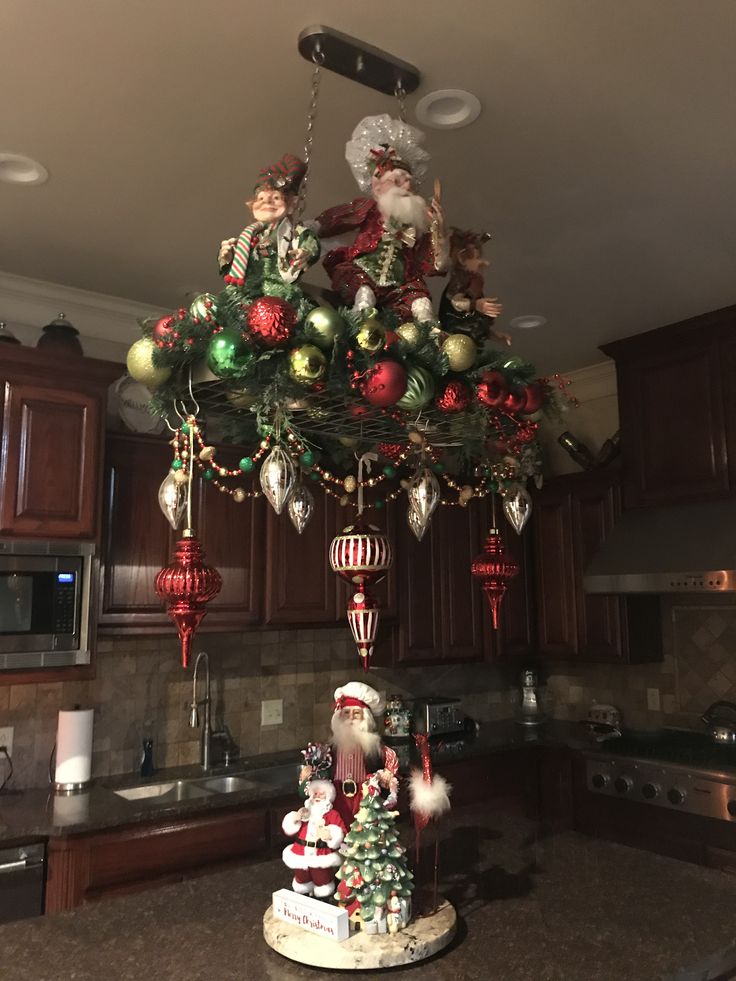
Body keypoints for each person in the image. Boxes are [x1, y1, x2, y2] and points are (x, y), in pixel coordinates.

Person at [316, 114, 448, 324]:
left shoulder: (416, 224)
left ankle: (429, 335)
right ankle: (359, 321)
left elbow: (432, 266)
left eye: (408, 182)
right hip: (362, 272)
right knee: (364, 292)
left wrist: (438, 233)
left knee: (421, 301)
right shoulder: (368, 209)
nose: (406, 187)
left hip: (401, 283)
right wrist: (313, 228)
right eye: (397, 181)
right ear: (377, 187)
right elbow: (339, 218)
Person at [217, 153, 320, 319]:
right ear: (251, 206)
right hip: (246, 292)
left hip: (279, 291)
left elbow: (309, 242)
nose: (267, 202)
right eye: (261, 198)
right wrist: (227, 257)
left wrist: (305, 252)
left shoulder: (293, 232)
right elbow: (234, 264)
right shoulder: (248, 236)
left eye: (276, 198)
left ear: (292, 205)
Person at [299, 682, 399, 831]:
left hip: (365, 801)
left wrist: (386, 779)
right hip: (337, 801)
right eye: (346, 713)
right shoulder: (327, 751)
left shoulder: (376, 750)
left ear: (365, 718)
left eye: (356, 713)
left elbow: (389, 778)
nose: (351, 718)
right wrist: (306, 776)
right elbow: (312, 782)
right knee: (338, 836)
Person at [438, 228, 510, 346]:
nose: (483, 263)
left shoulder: (474, 283)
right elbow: (456, 302)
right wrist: (476, 305)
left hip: (468, 339)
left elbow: (475, 321)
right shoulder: (460, 281)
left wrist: (495, 336)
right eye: (476, 258)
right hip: (455, 335)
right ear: (462, 259)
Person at [281, 778, 347, 899]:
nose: (317, 796)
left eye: (321, 794)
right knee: (301, 880)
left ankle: (323, 901)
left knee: (322, 882)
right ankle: (302, 900)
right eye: (315, 793)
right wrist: (294, 818)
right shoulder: (304, 812)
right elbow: (288, 830)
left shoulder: (332, 815)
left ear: (328, 796)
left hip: (321, 854)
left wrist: (330, 834)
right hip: (301, 852)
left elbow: (341, 833)